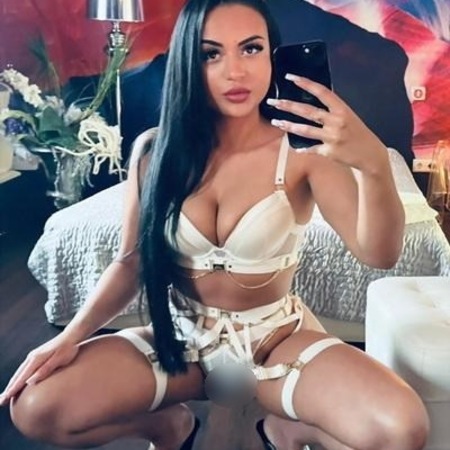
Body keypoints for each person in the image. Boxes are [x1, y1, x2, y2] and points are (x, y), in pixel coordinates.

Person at [0, 0, 429, 449]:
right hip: (179, 343)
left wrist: (374, 165)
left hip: (276, 343)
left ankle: (288, 429)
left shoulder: (305, 152)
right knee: (34, 407)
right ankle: (167, 427)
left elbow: (379, 254)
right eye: (211, 53)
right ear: (188, 61)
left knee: (402, 429)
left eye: (251, 48)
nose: (235, 72)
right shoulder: (153, 152)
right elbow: (131, 262)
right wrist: (68, 338)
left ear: (272, 56)